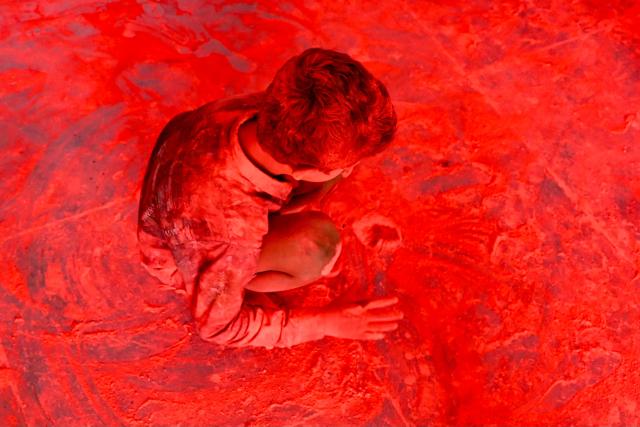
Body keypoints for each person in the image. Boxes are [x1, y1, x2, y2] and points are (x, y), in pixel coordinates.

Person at [137, 47, 402, 349]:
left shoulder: (278, 105)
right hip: (185, 249)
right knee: (318, 247)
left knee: (337, 158)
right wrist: (326, 322)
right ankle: (243, 283)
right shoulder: (228, 233)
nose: (352, 169)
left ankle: (318, 180)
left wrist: (336, 170)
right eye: (350, 165)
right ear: (302, 169)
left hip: (203, 196)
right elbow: (217, 328)